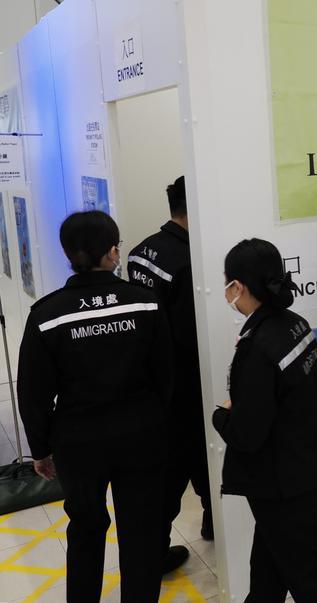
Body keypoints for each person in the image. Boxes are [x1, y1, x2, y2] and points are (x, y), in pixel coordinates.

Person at [17, 211, 173, 601]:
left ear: (68, 253)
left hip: (78, 441)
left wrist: (41, 449)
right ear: (112, 252)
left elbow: (33, 393)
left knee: (86, 528)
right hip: (141, 435)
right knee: (141, 531)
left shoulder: (47, 315)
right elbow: (166, 375)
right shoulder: (145, 304)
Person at [212, 238, 317, 602]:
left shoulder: (258, 346)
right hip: (308, 463)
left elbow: (247, 434)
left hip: (281, 481)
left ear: (238, 286)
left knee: (310, 577)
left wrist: (220, 416)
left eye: (228, 286)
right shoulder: (295, 324)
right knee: (268, 565)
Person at [127, 175, 213, 575]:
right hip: (186, 384)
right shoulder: (188, 261)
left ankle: (210, 523)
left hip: (155, 382)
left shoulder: (141, 251)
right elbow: (189, 334)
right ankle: (155, 550)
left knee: (186, 462)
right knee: (188, 462)